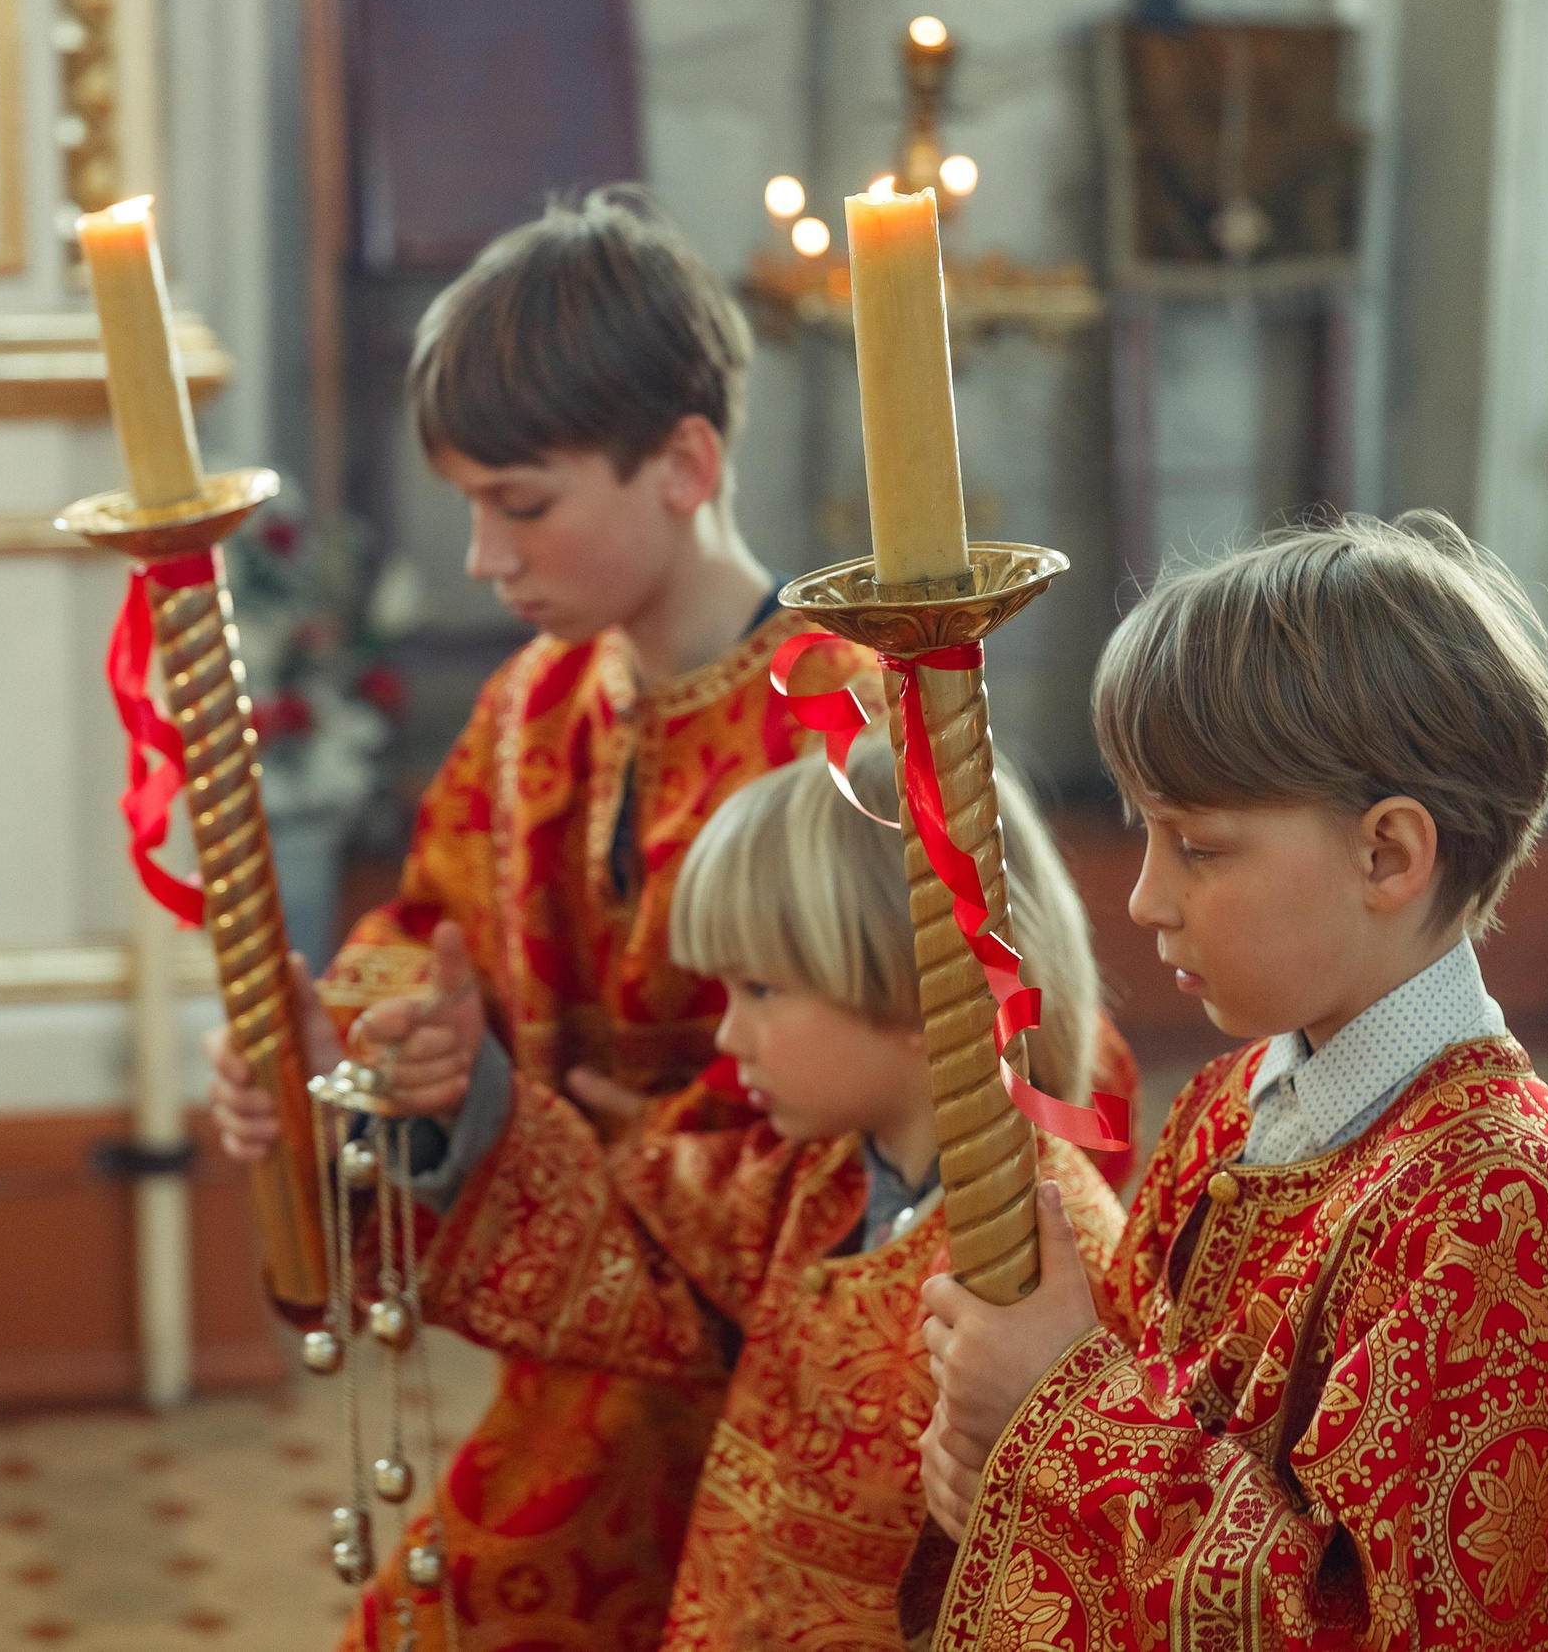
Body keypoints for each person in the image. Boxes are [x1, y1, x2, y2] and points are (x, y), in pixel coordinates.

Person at [208, 187, 1073, 1651]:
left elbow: (998, 1058)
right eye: (471, 504)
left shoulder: (853, 717)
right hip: (586, 1367)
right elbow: (425, 933)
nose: (485, 556)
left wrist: (613, 1143)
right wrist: (362, 1052)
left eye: (522, 502)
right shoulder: (530, 707)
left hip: (804, 1387)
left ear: (684, 462)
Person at [911, 512, 1548, 1650]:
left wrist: (1058, 1406)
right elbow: (1137, 1441)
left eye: (1198, 848)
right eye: (1145, 836)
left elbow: (1371, 1627)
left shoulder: (1502, 1218)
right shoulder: (1227, 1107)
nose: (1145, 899)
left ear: (1388, 856)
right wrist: (1004, 1475)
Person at [219, 740, 1137, 1650]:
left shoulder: (1047, 1266)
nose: (729, 1035)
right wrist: (455, 1103)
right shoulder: (806, 1180)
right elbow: (625, 1241)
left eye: (762, 989)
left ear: (919, 986)